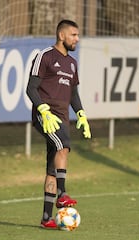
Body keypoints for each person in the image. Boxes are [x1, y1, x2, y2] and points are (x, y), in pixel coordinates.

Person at [26, 19, 91, 229]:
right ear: (61, 35)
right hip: (45, 117)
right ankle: (62, 195)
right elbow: (31, 88)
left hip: (62, 118)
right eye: (73, 35)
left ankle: (46, 218)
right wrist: (43, 110)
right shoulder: (44, 56)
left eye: (78, 35)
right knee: (63, 145)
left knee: (52, 168)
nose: (77, 39)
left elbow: (73, 92)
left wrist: (80, 113)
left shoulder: (72, 63)